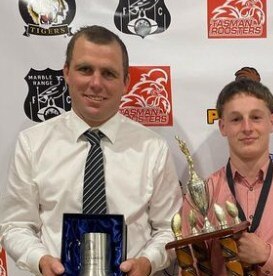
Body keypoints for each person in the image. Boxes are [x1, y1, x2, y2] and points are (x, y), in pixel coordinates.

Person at [0, 25, 182, 276]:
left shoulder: (153, 149)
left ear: (126, 82)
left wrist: (147, 262)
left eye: (108, 73)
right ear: (66, 73)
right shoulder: (32, 144)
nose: (96, 83)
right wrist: (40, 260)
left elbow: (170, 229)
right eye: (85, 69)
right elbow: (16, 225)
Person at [182, 78, 273, 275]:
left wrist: (268, 256)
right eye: (236, 119)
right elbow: (188, 269)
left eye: (256, 117)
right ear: (222, 126)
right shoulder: (201, 194)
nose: (247, 128)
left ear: (272, 122)